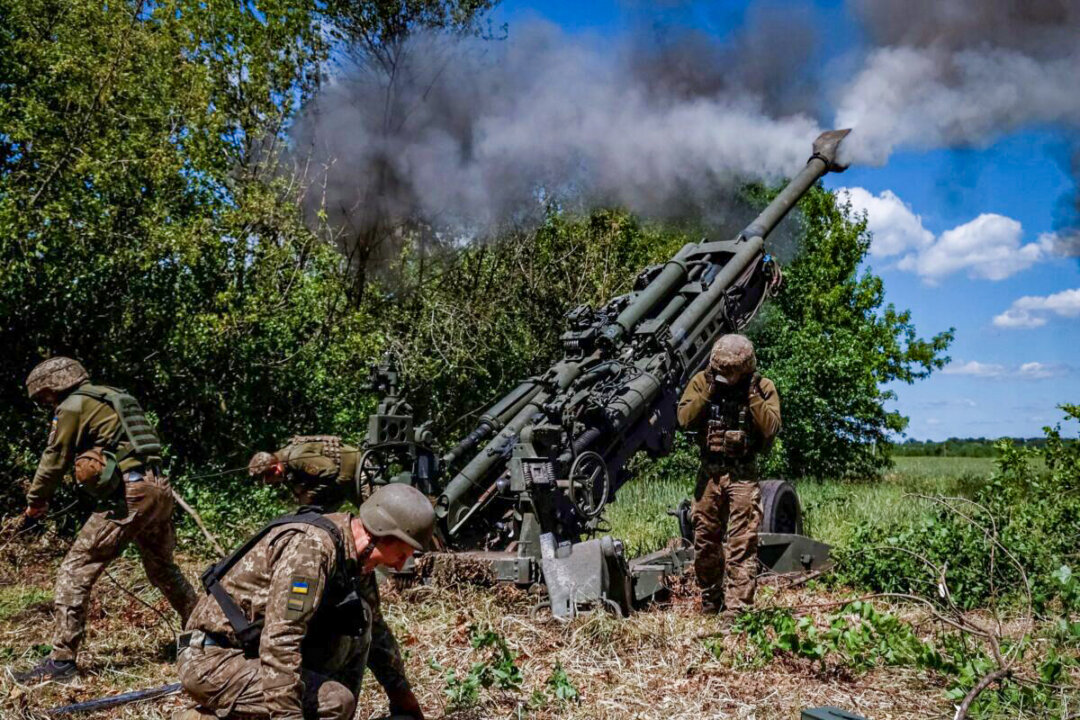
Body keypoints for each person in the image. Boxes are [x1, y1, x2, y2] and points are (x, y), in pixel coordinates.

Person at [174, 483, 433, 720]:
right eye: (401, 554)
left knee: (359, 619)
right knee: (335, 702)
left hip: (252, 649)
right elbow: (281, 641)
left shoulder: (355, 558)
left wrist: (402, 697)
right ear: (378, 534)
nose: (401, 564)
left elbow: (377, 631)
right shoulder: (311, 550)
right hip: (212, 658)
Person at [13, 357, 197, 682]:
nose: (45, 404)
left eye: (43, 397)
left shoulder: (73, 405)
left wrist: (35, 504)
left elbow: (54, 458)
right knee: (163, 568)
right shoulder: (113, 396)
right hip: (159, 487)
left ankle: (61, 663)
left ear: (53, 386)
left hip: (131, 493)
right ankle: (205, 633)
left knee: (75, 568)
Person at [676, 335, 781, 616]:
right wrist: (709, 389)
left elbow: (771, 427)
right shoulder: (702, 382)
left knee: (742, 542)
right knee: (705, 538)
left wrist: (752, 395)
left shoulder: (762, 387)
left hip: (743, 473)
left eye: (733, 371)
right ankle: (711, 599)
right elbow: (684, 418)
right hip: (709, 472)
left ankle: (737, 609)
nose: (728, 377)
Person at [248, 435, 361, 511]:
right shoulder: (285, 469)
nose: (271, 483)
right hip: (338, 483)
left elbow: (330, 471)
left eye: (270, 480)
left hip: (357, 469)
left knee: (374, 514)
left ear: (276, 469)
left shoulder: (296, 459)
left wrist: (310, 494)